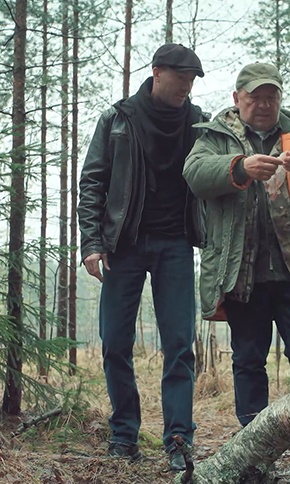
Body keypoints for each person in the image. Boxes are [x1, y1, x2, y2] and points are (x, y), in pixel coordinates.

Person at [183, 62, 290, 484]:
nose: (263, 104)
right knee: (248, 362)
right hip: (242, 276)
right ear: (237, 99)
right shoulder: (214, 136)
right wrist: (238, 168)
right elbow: (195, 174)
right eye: (254, 96)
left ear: (279, 99)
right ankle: (255, 459)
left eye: (270, 96)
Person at [77, 43, 207, 472]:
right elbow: (93, 181)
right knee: (115, 342)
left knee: (179, 345)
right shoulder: (118, 119)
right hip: (124, 245)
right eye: (181, 78)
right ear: (157, 73)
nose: (186, 87)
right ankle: (123, 436)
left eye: (192, 80)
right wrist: (92, 242)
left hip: (176, 245)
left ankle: (178, 440)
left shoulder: (199, 123)